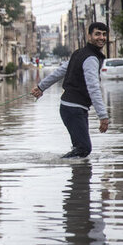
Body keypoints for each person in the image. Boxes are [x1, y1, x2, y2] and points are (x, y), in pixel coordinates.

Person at [30, 22, 110, 158]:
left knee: (80, 149)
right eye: (97, 34)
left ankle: (78, 176)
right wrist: (102, 115)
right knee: (84, 149)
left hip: (71, 108)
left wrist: (41, 87)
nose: (101, 37)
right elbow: (93, 87)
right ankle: (59, 165)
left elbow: (60, 71)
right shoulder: (90, 58)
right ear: (89, 36)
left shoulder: (79, 53)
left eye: (104, 34)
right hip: (74, 109)